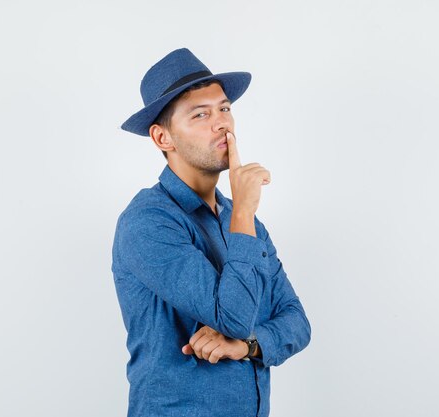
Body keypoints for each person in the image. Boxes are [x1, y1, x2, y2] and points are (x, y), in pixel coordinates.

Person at [112, 47, 312, 417]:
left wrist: (248, 345)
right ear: (162, 138)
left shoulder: (241, 220)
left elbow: (296, 321)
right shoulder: (148, 221)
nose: (222, 123)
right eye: (200, 114)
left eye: (224, 108)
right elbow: (233, 316)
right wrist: (247, 210)